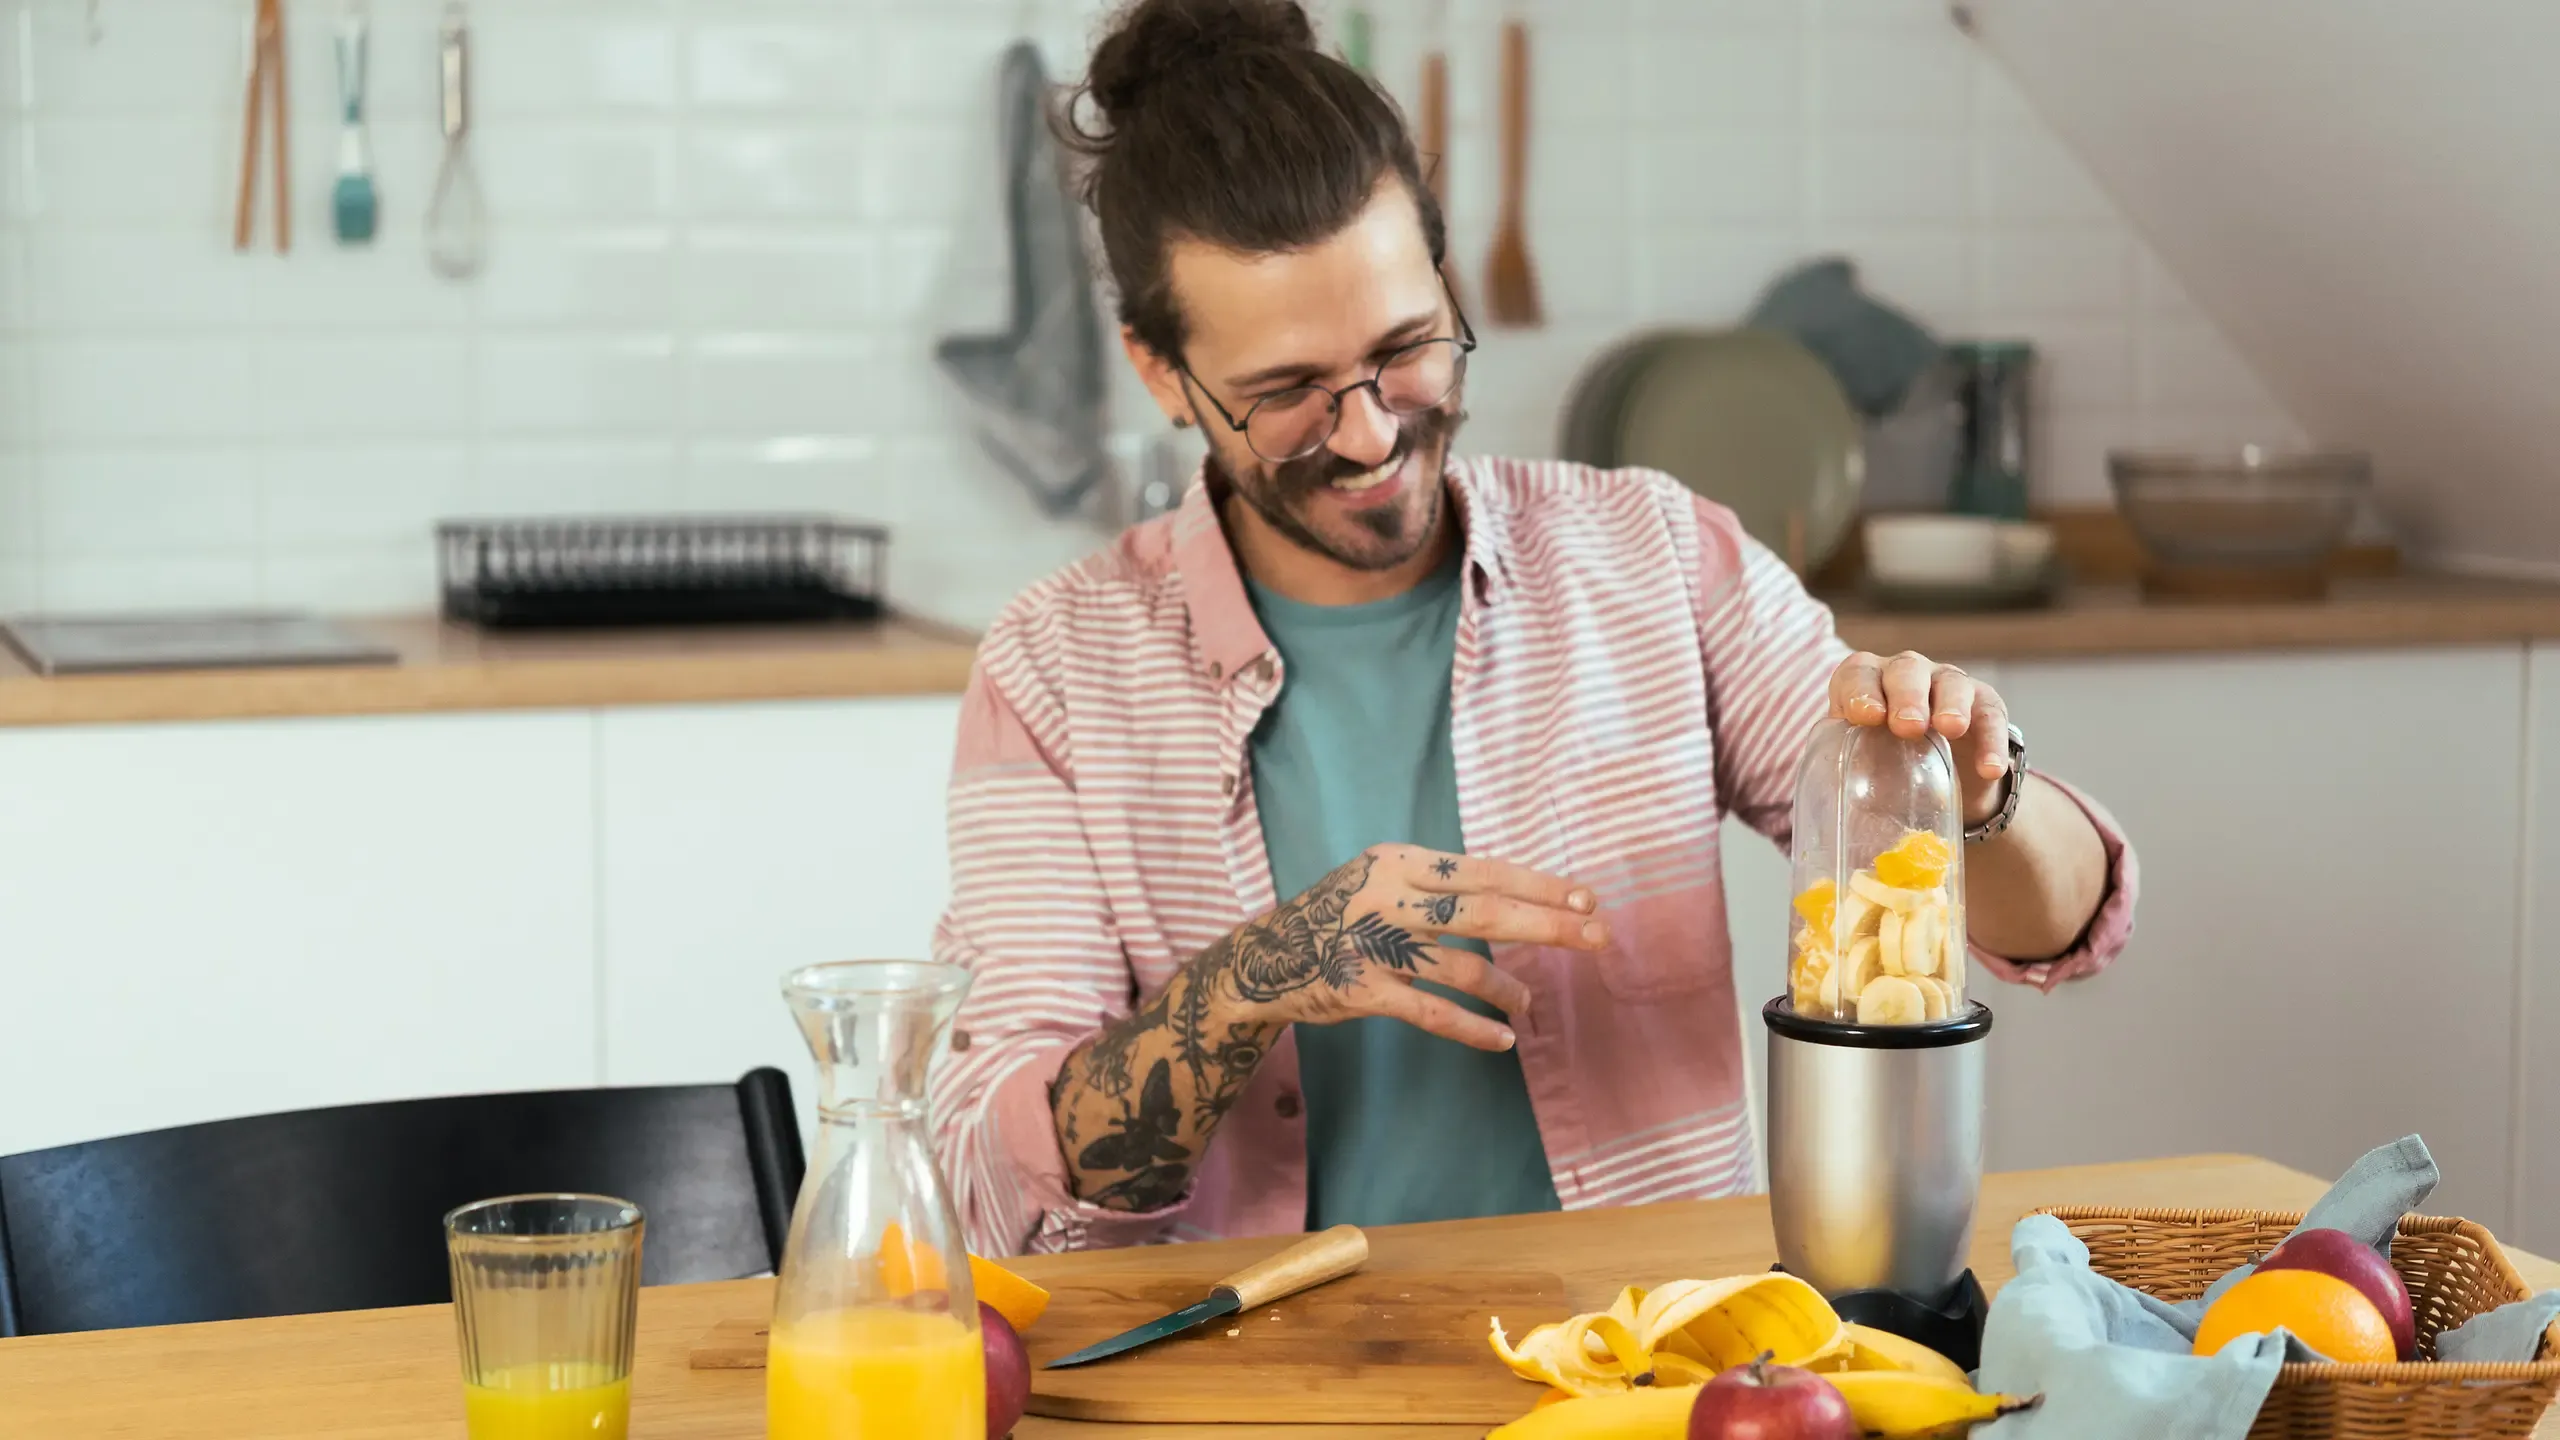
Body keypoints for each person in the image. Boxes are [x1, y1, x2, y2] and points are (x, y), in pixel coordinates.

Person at [927, 0, 2134, 1257]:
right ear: (1161, 372)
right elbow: (999, 1181)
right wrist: (1260, 977)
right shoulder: (1054, 670)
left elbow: (2059, 920)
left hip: (1649, 1352)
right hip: (1250, 1370)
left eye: (1405, 349)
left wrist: (1978, 793)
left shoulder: (1655, 560)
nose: (1369, 432)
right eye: (1284, 391)